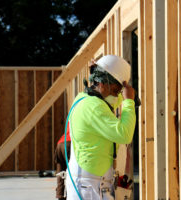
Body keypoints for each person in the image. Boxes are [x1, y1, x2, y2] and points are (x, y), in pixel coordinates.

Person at [66, 55, 136, 200]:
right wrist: (129, 102)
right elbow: (124, 134)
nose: (117, 96)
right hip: (89, 187)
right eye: (116, 91)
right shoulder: (93, 107)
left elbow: (110, 104)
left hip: (93, 184)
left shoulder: (86, 99)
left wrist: (124, 95)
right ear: (102, 84)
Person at [55, 130, 71, 200]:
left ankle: (60, 195)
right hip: (69, 143)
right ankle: (70, 195)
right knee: (72, 172)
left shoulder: (71, 120)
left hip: (60, 144)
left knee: (60, 172)